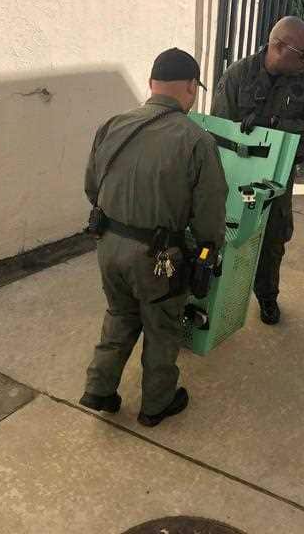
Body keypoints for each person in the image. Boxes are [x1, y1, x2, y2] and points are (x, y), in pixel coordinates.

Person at [80, 48, 228, 427]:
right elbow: (210, 212)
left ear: (151, 84)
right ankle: (157, 404)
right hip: (157, 257)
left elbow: (91, 187)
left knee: (120, 314)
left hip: (109, 246)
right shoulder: (196, 140)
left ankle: (99, 388)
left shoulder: (112, 124)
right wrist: (209, 251)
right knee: (162, 328)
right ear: (192, 89)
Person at [211, 16, 304, 325]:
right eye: (303, 54)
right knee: (229, 236)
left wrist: (273, 127)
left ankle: (267, 297)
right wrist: (246, 138)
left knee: (273, 239)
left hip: (277, 177)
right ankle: (217, 298)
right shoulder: (238, 75)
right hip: (237, 176)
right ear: (277, 47)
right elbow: (220, 133)